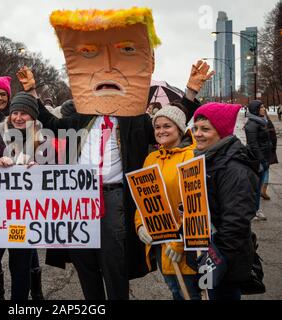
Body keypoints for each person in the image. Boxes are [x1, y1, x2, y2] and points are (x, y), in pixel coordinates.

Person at [35, 7, 214, 300]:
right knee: (84, 261)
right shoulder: (81, 118)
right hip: (78, 196)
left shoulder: (135, 120)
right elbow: (53, 125)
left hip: (115, 198)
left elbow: (171, 121)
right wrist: (32, 94)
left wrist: (191, 92)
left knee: (113, 261)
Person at [0, 91, 47, 300]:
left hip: (22, 222)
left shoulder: (43, 141)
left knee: (21, 270)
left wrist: (40, 168)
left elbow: (55, 178)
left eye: (24, 113)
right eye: (15, 112)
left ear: (34, 116)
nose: (18, 117)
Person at [192, 103, 259, 300]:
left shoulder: (235, 169)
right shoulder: (209, 158)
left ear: (221, 131)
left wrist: (213, 262)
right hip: (211, 253)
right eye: (195, 128)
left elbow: (236, 222)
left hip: (225, 260)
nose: (197, 134)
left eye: (205, 129)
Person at [135, 105, 200, 300]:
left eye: (167, 126)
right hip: (159, 243)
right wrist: (139, 225)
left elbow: (196, 205)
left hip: (186, 246)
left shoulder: (193, 156)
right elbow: (142, 198)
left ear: (179, 129)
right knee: (175, 291)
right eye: (157, 127)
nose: (161, 131)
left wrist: (180, 242)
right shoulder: (151, 158)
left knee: (190, 294)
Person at [244, 100, 272, 221]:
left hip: (264, 158)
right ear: (255, 109)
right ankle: (254, 211)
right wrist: (261, 160)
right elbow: (253, 145)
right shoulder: (252, 124)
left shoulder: (260, 121)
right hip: (258, 160)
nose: (263, 108)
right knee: (255, 187)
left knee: (257, 186)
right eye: (261, 107)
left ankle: (255, 209)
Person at [261, 107, 278, 200]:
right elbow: (274, 137)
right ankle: (263, 190)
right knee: (265, 170)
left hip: (264, 150)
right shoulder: (267, 122)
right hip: (266, 150)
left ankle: (261, 190)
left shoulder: (255, 122)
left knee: (262, 170)